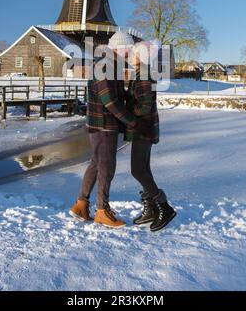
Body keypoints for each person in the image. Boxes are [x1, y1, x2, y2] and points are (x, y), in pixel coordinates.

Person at [70, 31, 136, 228]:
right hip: (104, 125)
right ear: (119, 48)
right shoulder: (106, 65)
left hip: (99, 123)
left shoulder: (109, 65)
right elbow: (110, 100)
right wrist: (130, 120)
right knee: (107, 167)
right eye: (128, 49)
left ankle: (81, 205)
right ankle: (101, 210)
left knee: (97, 163)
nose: (130, 52)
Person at [125, 41, 176, 232]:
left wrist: (127, 111)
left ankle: (164, 206)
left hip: (143, 129)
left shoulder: (143, 75)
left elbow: (144, 106)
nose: (130, 56)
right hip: (145, 129)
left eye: (133, 53)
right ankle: (152, 208)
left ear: (141, 58)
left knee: (137, 171)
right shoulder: (141, 73)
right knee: (144, 170)